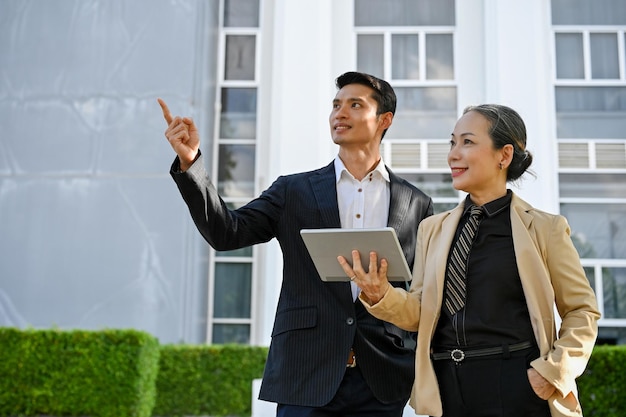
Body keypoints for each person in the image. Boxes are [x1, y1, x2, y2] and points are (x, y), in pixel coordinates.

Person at [158, 71, 433, 417]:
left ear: (384, 120)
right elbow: (227, 232)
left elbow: (421, 296)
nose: (339, 113)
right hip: (306, 375)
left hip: (382, 382)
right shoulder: (293, 191)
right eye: (336, 105)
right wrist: (190, 162)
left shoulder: (416, 203)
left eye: (354, 105)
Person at [338, 104, 601, 417]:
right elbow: (421, 312)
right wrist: (380, 293)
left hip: (518, 385)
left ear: (503, 155)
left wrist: (554, 371)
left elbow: (581, 310)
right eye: (452, 143)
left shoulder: (545, 229)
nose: (453, 154)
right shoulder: (432, 229)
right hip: (448, 386)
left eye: (467, 142)